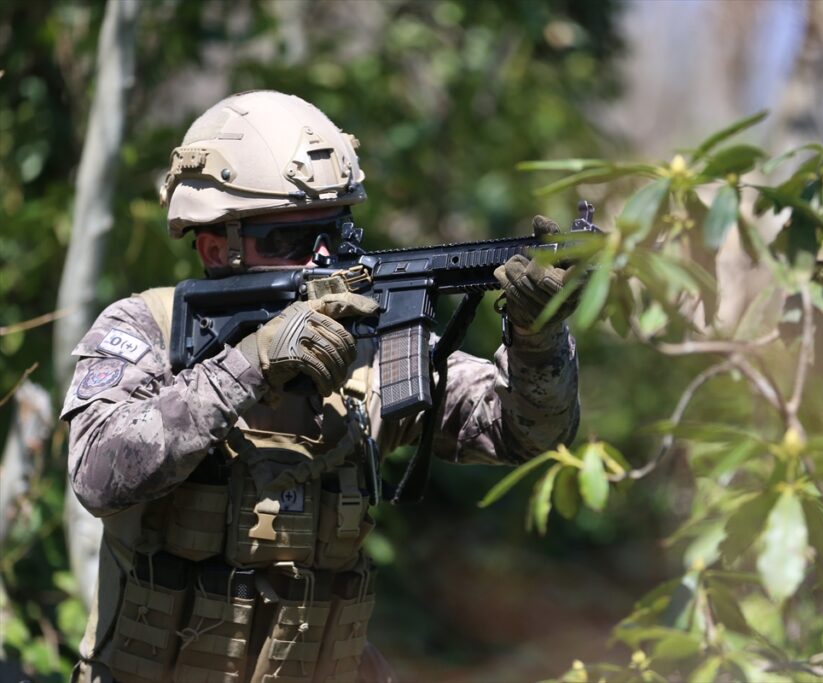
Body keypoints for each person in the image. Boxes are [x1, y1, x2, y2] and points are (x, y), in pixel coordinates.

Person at [61, 90, 580, 683]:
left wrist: (538, 338)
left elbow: (526, 433)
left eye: (335, 232)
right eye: (288, 242)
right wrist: (253, 363)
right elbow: (99, 475)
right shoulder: (146, 329)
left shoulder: (378, 340)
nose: (323, 257)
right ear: (214, 249)